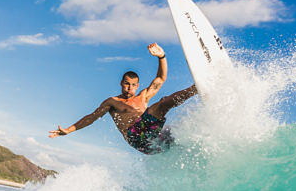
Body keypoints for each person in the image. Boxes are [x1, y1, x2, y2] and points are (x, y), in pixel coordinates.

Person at [49, 43, 197, 154]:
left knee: (179, 133)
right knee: (163, 103)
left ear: (137, 86)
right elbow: (92, 117)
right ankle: (195, 89)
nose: (129, 87)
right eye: (126, 84)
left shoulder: (143, 97)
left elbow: (160, 78)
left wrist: (161, 56)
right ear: (121, 83)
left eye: (133, 85)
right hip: (137, 138)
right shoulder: (113, 102)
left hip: (155, 138)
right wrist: (69, 130)